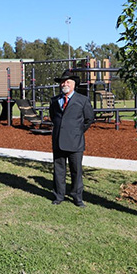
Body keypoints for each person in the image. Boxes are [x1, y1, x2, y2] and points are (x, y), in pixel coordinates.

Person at [49, 70, 94, 207]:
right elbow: (53, 118)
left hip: (75, 142)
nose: (64, 84)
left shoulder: (83, 100)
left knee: (76, 170)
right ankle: (59, 196)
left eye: (68, 81)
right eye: (63, 82)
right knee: (59, 170)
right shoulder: (54, 100)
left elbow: (89, 119)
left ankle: (77, 197)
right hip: (58, 141)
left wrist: (78, 131)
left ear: (74, 84)